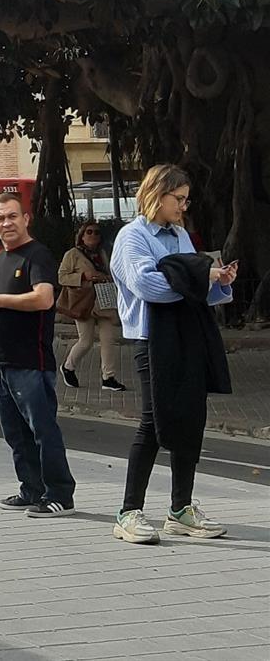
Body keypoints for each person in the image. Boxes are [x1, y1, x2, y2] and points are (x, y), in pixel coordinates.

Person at [107, 164, 236, 544]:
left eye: (186, 199)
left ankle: (181, 508)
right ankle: (129, 511)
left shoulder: (179, 235)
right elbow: (149, 286)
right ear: (156, 195)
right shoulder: (132, 237)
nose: (183, 206)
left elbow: (193, 284)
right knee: (154, 421)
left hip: (186, 333)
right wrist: (197, 276)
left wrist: (216, 280)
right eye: (178, 198)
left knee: (190, 418)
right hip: (151, 338)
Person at [0, 193, 76, 516]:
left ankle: (60, 494)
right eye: (0, 218)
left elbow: (44, 298)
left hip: (31, 362)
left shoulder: (38, 255)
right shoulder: (3, 257)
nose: (7, 223)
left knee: (43, 431)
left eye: (12, 216)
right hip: (3, 361)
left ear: (26, 219)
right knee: (16, 434)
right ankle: (31, 490)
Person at [59, 223, 126, 391]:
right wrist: (83, 276)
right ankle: (68, 366)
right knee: (86, 341)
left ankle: (108, 377)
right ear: (82, 236)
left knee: (108, 340)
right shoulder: (73, 254)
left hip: (104, 301)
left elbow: (111, 272)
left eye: (96, 232)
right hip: (84, 302)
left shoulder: (102, 254)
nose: (93, 235)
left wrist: (107, 277)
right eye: (89, 232)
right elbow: (62, 277)